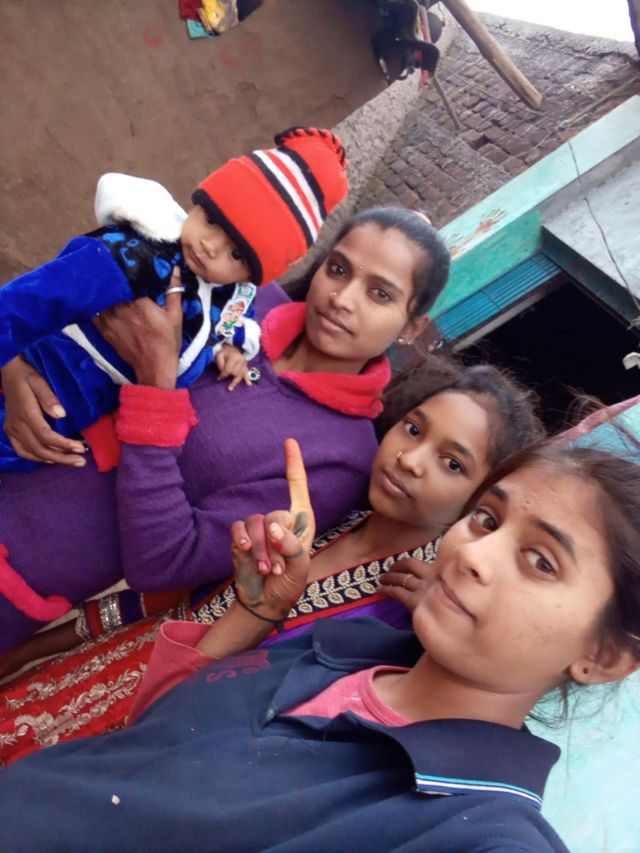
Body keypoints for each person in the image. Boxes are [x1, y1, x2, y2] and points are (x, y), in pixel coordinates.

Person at [1, 440, 639, 852]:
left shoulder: (475, 834)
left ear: (605, 658)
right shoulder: (343, 649)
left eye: (541, 561)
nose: (475, 554)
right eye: (487, 519)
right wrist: (256, 612)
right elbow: (154, 740)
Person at [0, 362, 542, 764]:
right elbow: (170, 600)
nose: (411, 460)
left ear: (481, 501)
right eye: (415, 429)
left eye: (452, 463)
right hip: (77, 681)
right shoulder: (325, 515)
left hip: (145, 753)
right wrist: (33, 650)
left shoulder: (408, 617)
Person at [0, 205, 450, 652]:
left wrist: (156, 384)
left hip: (21, 566)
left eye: (380, 294)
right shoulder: (242, 296)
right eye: (338, 269)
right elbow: (80, 293)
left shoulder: (340, 458)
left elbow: (166, 561)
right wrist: (13, 363)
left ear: (412, 326)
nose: (342, 298)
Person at [0, 126, 349, 472]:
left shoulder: (230, 295)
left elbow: (230, 323)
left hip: (74, 414)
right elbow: (33, 299)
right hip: (43, 367)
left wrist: (230, 348)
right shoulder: (137, 254)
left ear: (251, 276)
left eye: (236, 254)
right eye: (212, 220)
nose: (210, 245)